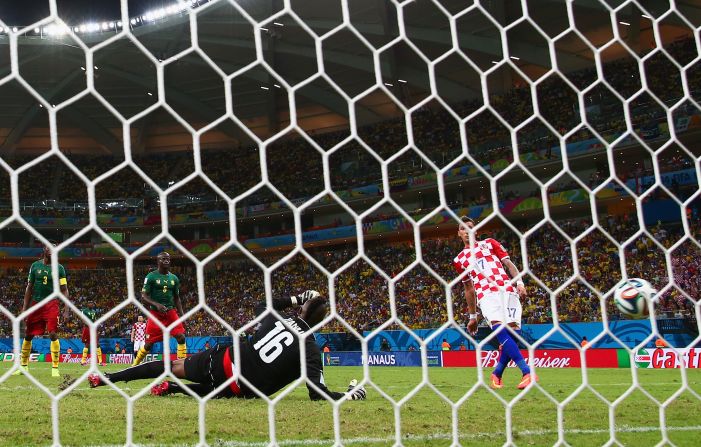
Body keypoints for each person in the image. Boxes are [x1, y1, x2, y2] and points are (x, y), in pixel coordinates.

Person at [83, 291, 367, 402]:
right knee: (220, 390)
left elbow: (261, 304)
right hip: (241, 390)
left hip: (223, 361)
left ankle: (109, 378)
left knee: (173, 365)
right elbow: (317, 393)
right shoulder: (311, 348)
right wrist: (352, 394)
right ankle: (173, 389)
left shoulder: (276, 320)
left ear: (302, 310)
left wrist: (296, 297)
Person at [453, 216, 535, 390]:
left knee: (514, 335)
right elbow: (469, 288)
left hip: (508, 290)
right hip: (487, 295)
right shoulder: (460, 260)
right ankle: (527, 372)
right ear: (459, 233)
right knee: (501, 330)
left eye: (470, 226)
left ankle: (497, 373)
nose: (467, 231)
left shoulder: (490, 243)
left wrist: (519, 283)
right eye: (463, 228)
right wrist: (473, 316)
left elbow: (508, 263)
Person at [13, 243, 70, 377]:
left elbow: (64, 289)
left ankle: (55, 367)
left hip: (51, 303)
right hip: (36, 303)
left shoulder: (59, 268)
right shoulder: (35, 266)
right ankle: (23, 366)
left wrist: (66, 309)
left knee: (52, 334)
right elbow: (29, 287)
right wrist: (24, 308)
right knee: (28, 334)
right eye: (49, 247)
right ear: (44, 249)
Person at [132, 252, 187, 366]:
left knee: (181, 337)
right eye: (163, 259)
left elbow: (177, 298)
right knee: (149, 344)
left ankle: (183, 364)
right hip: (155, 314)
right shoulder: (151, 276)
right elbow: (143, 296)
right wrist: (156, 304)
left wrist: (182, 315)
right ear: (158, 261)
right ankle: (135, 363)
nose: (166, 261)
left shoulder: (174, 278)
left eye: (168, 259)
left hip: (170, 312)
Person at [80, 301, 105, 366]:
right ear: (87, 304)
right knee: (87, 344)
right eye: (90, 303)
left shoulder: (94, 312)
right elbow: (83, 320)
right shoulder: (84, 311)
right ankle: (83, 361)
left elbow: (95, 320)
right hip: (87, 328)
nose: (92, 304)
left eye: (92, 303)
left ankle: (100, 361)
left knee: (97, 344)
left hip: (93, 329)